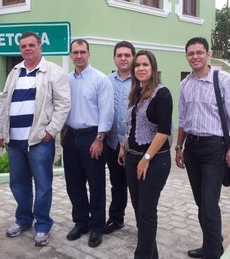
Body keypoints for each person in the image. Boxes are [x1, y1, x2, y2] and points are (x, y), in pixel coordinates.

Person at [0, 31, 71, 247]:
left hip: (39, 141)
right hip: (15, 142)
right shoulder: (15, 72)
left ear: (40, 47)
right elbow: (4, 101)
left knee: (43, 185)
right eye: (23, 46)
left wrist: (51, 131)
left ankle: (43, 225)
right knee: (18, 184)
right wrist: (2, 131)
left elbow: (63, 104)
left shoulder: (53, 72)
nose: (27, 49)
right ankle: (23, 220)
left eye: (31, 45)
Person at [175, 37, 230, 259]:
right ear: (186, 56)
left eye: (199, 52)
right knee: (200, 202)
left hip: (215, 149)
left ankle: (213, 252)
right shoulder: (185, 84)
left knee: (208, 203)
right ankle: (210, 245)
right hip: (192, 149)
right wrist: (178, 147)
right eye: (190, 53)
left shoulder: (222, 80)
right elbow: (183, 120)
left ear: (208, 54)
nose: (195, 56)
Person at [118, 50, 172, 259]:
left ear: (153, 68)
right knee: (140, 212)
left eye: (145, 65)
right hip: (132, 158)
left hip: (154, 161)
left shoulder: (162, 93)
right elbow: (133, 124)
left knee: (147, 214)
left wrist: (146, 159)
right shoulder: (136, 92)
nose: (141, 68)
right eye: (137, 65)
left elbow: (164, 131)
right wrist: (124, 145)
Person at [62, 38, 114, 248]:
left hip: (93, 137)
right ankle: (81, 222)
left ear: (89, 54)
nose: (79, 56)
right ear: (71, 55)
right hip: (70, 137)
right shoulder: (66, 80)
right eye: (75, 52)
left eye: (82, 52)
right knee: (73, 184)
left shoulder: (100, 79)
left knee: (96, 184)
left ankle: (96, 226)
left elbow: (107, 112)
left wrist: (99, 139)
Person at [104, 41, 135, 234]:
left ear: (133, 57)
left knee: (139, 187)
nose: (123, 58)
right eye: (119, 55)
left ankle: (145, 221)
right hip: (112, 142)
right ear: (114, 58)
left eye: (127, 55)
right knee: (117, 184)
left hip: (134, 145)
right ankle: (116, 219)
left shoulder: (141, 80)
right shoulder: (106, 80)